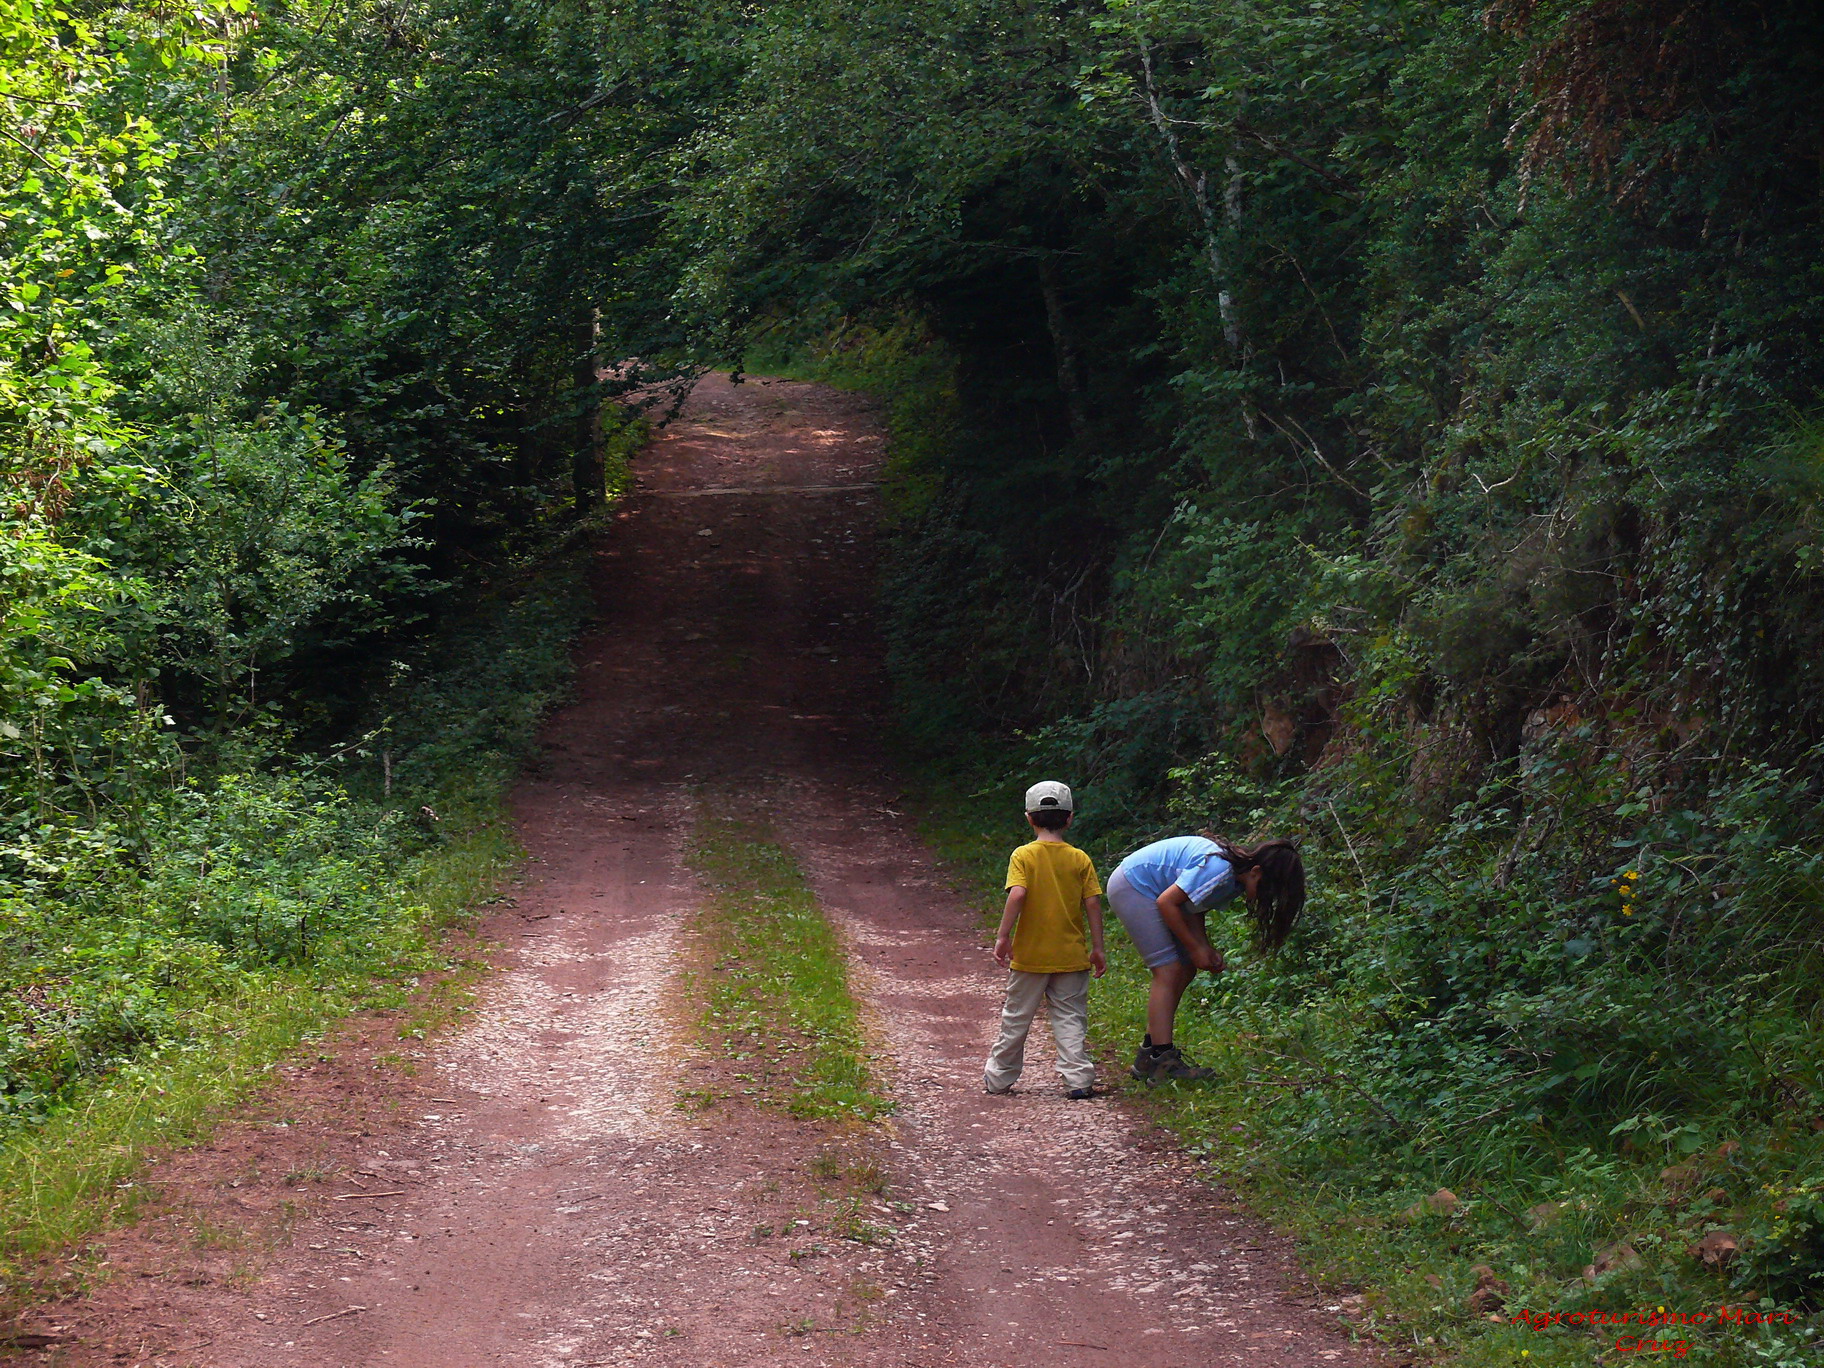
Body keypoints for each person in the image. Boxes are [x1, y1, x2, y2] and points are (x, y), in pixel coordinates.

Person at [1106, 834, 1305, 1083]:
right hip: (1134, 885)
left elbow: (1193, 906)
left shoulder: (1233, 881)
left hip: (1150, 890)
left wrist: (1203, 947)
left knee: (1186, 969)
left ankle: (1148, 1057)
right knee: (1168, 971)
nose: (1268, 898)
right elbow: (1167, 903)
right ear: (1255, 871)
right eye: (1269, 890)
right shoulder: (1219, 870)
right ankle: (1162, 1061)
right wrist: (1194, 948)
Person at [983, 781, 1106, 1099]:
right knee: (1069, 1017)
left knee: (1017, 1017)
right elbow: (1092, 903)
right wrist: (1097, 948)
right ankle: (1078, 1079)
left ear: (1029, 818)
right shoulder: (1080, 858)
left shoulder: (1023, 855)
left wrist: (1002, 936)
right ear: (1069, 818)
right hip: (1070, 955)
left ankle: (999, 1079)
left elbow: (1019, 893)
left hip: (1030, 955)